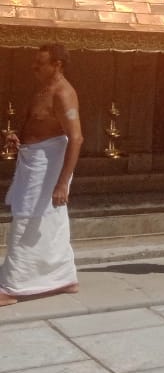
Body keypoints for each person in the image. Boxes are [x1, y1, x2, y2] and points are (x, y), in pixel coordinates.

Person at [0, 44, 84, 304]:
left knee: (26, 218)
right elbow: (40, 125)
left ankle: (12, 286)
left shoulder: (64, 93)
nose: (34, 67)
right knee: (51, 221)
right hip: (34, 159)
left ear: (57, 64)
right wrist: (19, 139)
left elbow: (77, 138)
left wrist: (62, 184)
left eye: (40, 63)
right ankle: (63, 276)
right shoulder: (43, 89)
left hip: (49, 166)